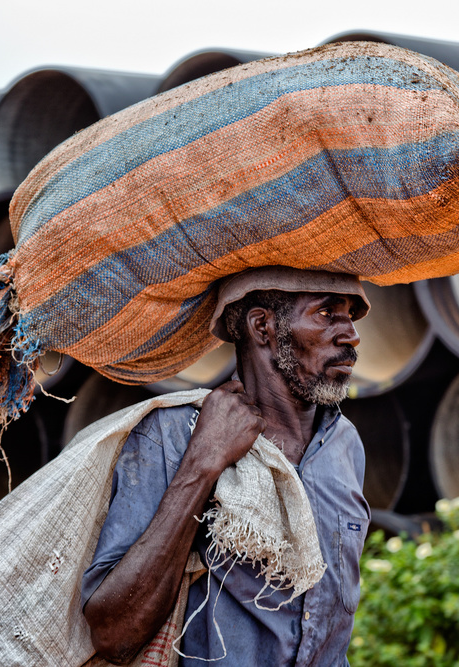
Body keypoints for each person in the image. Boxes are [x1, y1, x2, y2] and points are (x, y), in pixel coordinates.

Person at [81, 266, 373, 666]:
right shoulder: (174, 434)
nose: (351, 335)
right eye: (326, 314)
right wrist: (203, 461)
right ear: (262, 327)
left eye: (350, 317)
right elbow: (115, 634)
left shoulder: (345, 446)